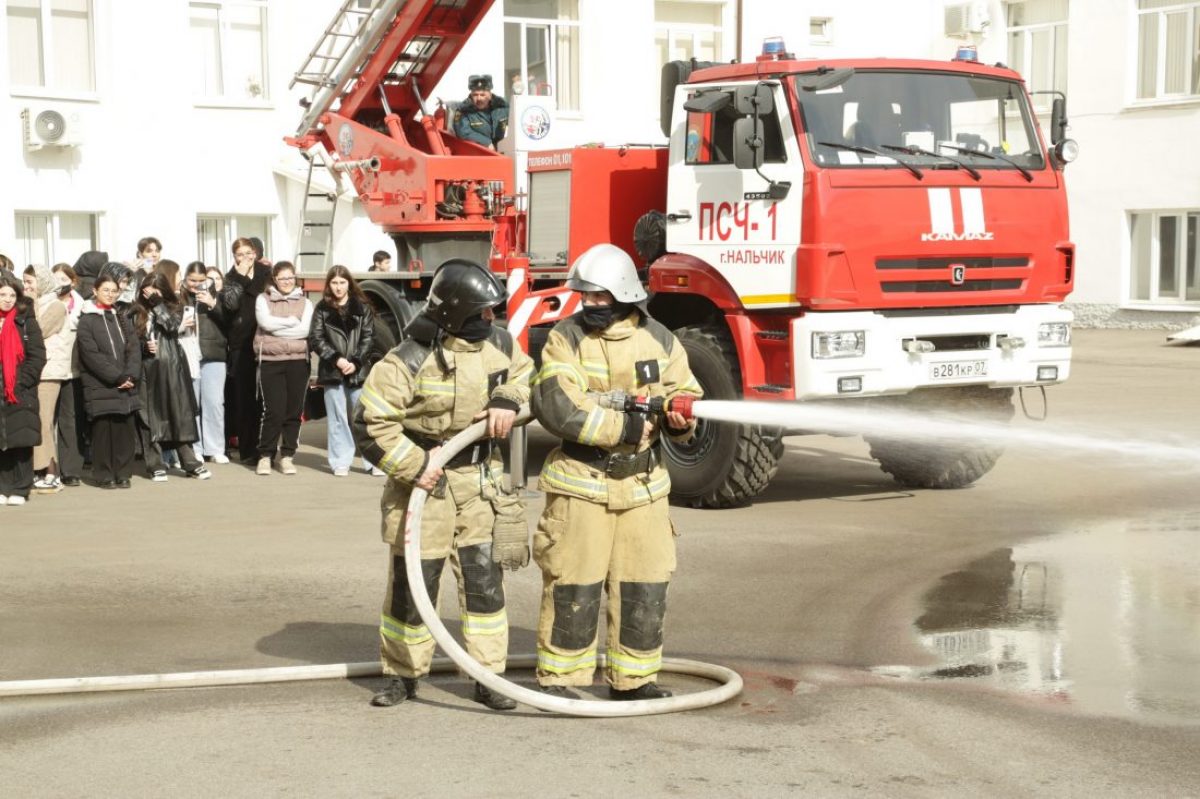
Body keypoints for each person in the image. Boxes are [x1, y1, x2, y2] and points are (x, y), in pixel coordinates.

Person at [355, 258, 534, 710]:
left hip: (480, 484)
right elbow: (371, 423)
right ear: (456, 313)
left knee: (484, 584)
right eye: (483, 313)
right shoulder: (407, 360)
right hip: (423, 486)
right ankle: (402, 675)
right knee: (414, 587)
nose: (492, 320)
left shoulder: (500, 346)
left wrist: (507, 400)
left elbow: (528, 377)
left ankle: (488, 675)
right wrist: (417, 465)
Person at [530, 243, 702, 701]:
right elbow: (557, 402)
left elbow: (685, 391)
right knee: (573, 585)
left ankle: (634, 680)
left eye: (599, 297)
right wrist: (623, 425)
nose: (589, 304)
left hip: (644, 488)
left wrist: (684, 422)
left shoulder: (661, 339)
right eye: (585, 296)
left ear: (624, 293)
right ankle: (562, 681)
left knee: (644, 586)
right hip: (582, 485)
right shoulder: (565, 337)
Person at [132, 268, 211, 482]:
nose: (150, 296)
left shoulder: (173, 307)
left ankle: (190, 462)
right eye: (148, 292)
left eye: (155, 292)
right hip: (146, 369)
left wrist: (158, 304)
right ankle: (155, 464)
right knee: (148, 416)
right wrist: (142, 346)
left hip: (171, 367)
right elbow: (129, 342)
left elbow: (173, 326)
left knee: (178, 414)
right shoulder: (134, 311)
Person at [308, 265, 375, 476]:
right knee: (337, 418)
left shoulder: (362, 308)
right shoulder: (322, 309)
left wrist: (355, 361)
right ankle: (340, 461)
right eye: (334, 283)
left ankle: (374, 461)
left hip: (358, 370)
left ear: (349, 283)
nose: (338, 287)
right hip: (332, 371)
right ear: (328, 285)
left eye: (342, 283)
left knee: (364, 417)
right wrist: (337, 359)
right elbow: (316, 339)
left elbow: (368, 337)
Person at [74, 274, 140, 489]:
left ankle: (123, 473)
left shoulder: (121, 316)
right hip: (100, 384)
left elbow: (133, 348)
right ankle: (104, 474)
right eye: (106, 290)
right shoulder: (87, 319)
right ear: (95, 291)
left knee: (124, 430)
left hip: (125, 384)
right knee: (103, 431)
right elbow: (90, 354)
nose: (110, 294)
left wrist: (130, 375)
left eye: (114, 291)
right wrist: (116, 376)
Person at [253, 261, 313, 476]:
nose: (287, 282)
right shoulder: (263, 299)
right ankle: (266, 455)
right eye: (282, 278)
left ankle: (287, 455)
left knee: (293, 411)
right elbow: (265, 324)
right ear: (274, 279)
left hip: (298, 360)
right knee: (274, 411)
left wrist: (278, 329)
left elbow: (305, 329)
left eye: (290, 278)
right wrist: (291, 322)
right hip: (271, 360)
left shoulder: (305, 302)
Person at [184, 262, 239, 463]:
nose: (196, 285)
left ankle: (215, 448)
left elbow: (230, 322)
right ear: (186, 278)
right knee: (193, 404)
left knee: (214, 402)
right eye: (192, 280)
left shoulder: (220, 296)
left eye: (201, 280)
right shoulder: (181, 296)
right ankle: (196, 447)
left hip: (214, 353)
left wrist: (212, 304)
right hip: (189, 354)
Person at [0, 271, 47, 506]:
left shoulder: (25, 320)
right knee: (2, 440)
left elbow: (37, 356)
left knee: (21, 439)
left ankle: (21, 487)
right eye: (2, 294)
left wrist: (20, 381)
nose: (7, 299)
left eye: (12, 295)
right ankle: (3, 485)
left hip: (20, 389)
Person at [23, 265, 69, 494]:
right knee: (36, 420)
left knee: (44, 420)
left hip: (49, 371)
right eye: (25, 282)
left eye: (30, 282)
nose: (26, 287)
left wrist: (30, 303)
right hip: (33, 371)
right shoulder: (36, 303)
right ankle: (40, 470)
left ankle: (51, 472)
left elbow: (36, 332)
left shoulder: (56, 306)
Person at [225, 238, 271, 463]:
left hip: (265, 341)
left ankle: (267, 447)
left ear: (255, 253)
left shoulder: (266, 272)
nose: (245, 258)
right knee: (244, 399)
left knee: (266, 397)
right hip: (241, 344)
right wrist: (242, 277)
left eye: (248, 253)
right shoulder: (231, 277)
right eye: (239, 254)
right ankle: (248, 449)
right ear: (234, 257)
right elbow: (231, 305)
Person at [50, 264, 86, 486]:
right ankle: (48, 468)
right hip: (50, 367)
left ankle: (71, 469)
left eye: (64, 278)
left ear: (73, 281)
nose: (60, 283)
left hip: (74, 369)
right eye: (55, 279)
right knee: (46, 420)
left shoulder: (83, 306)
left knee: (69, 420)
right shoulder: (46, 304)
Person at [453, 74, 509, 149]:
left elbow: (515, 123)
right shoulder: (463, 110)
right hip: (479, 153)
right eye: (475, 95)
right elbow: (463, 132)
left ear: (490, 95)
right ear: (471, 95)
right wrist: (486, 142)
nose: (479, 98)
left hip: (503, 150)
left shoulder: (502, 106)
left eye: (482, 95)